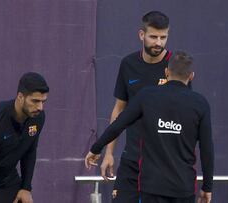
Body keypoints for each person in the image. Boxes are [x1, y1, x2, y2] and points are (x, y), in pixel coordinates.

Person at [86, 50, 213, 203]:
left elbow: (119, 124)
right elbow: (207, 149)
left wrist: (96, 148)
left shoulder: (147, 96)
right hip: (183, 188)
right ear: (191, 76)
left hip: (152, 187)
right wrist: (207, 187)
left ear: (166, 72)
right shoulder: (200, 104)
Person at [100, 11, 172, 202]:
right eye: (153, 37)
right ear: (142, 35)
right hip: (131, 159)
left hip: (163, 163)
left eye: (163, 37)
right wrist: (109, 153)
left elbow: (185, 115)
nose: (158, 42)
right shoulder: (128, 64)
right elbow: (118, 110)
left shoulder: (175, 65)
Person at [0, 72, 49, 203]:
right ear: (20, 97)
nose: (40, 107)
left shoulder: (38, 118)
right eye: (35, 101)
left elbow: (29, 151)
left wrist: (26, 188)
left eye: (43, 101)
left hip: (8, 183)